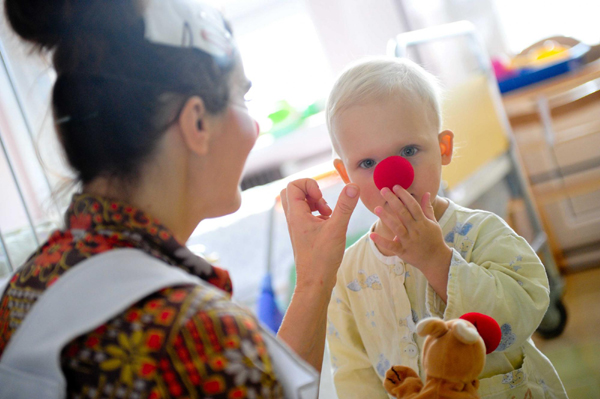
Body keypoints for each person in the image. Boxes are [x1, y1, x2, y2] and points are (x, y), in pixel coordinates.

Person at [0, 0, 360, 397]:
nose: (256, 127)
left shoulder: (27, 286)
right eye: (243, 99)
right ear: (198, 122)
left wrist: (314, 279)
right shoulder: (196, 335)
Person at [325, 57, 568, 398]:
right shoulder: (348, 273)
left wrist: (439, 261)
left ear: (443, 148)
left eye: (409, 150)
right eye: (367, 163)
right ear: (345, 174)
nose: (392, 176)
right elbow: (354, 373)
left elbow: (522, 313)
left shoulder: (483, 232)